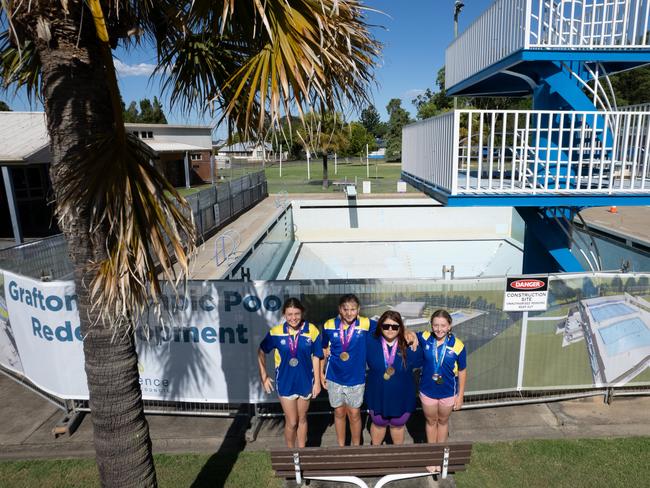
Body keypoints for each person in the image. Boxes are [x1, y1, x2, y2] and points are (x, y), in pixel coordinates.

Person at [321, 294, 418, 446]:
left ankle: (356, 447)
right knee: (339, 412)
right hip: (334, 377)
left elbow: (390, 325)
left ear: (358, 309)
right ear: (339, 309)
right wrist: (322, 369)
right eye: (345, 309)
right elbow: (323, 347)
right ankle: (341, 447)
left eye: (353, 309)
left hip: (356, 379)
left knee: (354, 414)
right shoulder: (328, 325)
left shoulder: (365, 323)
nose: (349, 313)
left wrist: (407, 331)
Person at [258, 298, 322, 448]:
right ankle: (291, 454)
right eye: (289, 314)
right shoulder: (276, 332)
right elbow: (261, 351)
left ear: (302, 313)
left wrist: (317, 382)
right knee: (292, 422)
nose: (293, 318)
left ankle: (302, 452)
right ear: (284, 314)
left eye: (297, 314)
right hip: (285, 383)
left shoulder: (311, 330)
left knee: (303, 419)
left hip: (306, 382)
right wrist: (264, 376)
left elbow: (317, 356)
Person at [365, 310, 423, 445]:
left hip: (401, 396)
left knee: (398, 424)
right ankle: (376, 456)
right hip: (377, 394)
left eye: (395, 326)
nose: (390, 329)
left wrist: (411, 333)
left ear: (400, 328)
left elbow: (428, 340)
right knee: (378, 423)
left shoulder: (410, 344)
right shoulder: (370, 341)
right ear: (380, 326)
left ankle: (397, 457)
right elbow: (358, 323)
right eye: (386, 326)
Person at [418, 310, 467, 444]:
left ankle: (439, 455)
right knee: (431, 421)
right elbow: (409, 334)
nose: (439, 329)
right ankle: (432, 455)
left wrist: (460, 395)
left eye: (443, 325)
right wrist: (409, 335)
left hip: (448, 392)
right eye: (436, 325)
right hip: (427, 391)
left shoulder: (458, 345)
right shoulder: (425, 337)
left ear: (450, 326)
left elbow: (462, 371)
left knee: (443, 421)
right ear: (431, 325)